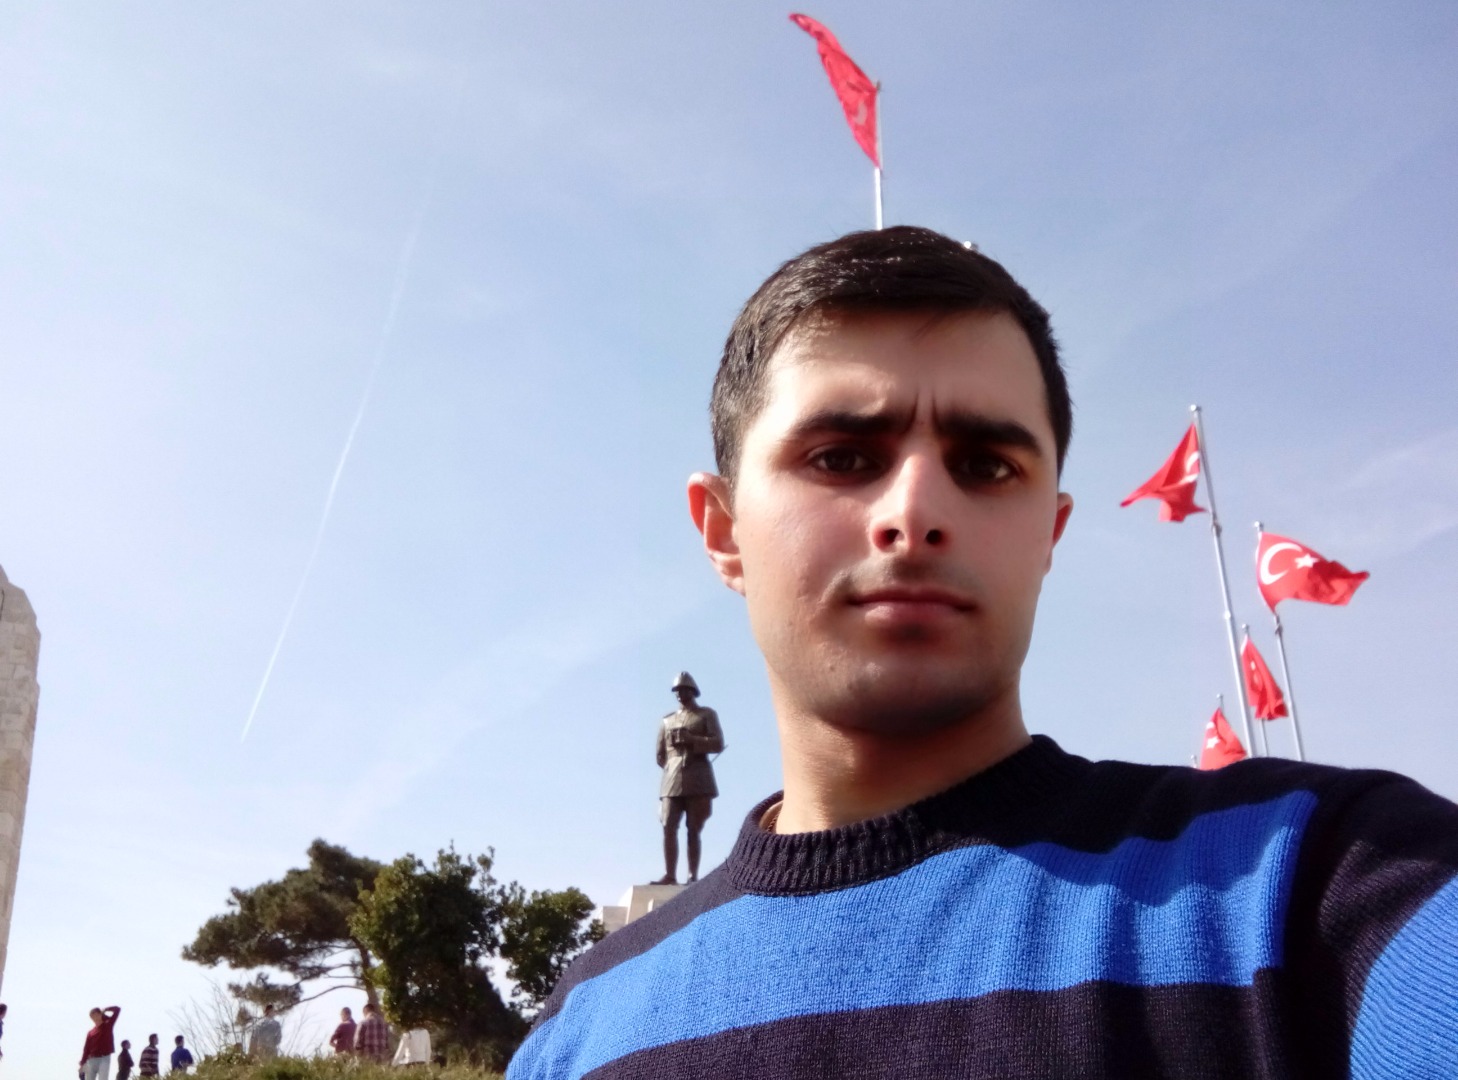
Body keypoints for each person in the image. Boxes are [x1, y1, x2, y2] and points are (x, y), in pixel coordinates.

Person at [506, 226, 1458, 1079]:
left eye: (987, 466)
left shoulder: (1320, 880)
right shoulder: (581, 1035)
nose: (917, 511)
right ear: (722, 530)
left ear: (1050, 532)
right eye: (842, 457)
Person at [653, 671, 726, 884]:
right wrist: (674, 765)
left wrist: (692, 740)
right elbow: (660, 755)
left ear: (693, 691)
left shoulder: (706, 715)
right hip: (672, 778)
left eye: (684, 689)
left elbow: (717, 743)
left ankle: (692, 875)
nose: (680, 693)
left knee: (694, 828)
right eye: (677, 690)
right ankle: (670, 874)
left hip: (698, 775)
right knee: (668, 825)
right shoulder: (667, 720)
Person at [79, 1006, 121, 1080]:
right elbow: (86, 1049)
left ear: (100, 1014)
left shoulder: (108, 1025)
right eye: (92, 1016)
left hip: (104, 1058)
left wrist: (106, 1009)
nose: (94, 1018)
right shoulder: (90, 1032)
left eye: (96, 1015)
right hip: (91, 1059)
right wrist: (82, 1064)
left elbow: (117, 1009)